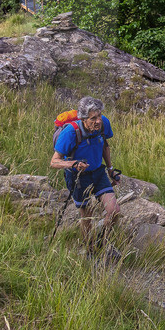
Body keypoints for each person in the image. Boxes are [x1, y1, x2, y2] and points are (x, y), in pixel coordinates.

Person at [50, 96, 118, 245]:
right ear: (83, 119)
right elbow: (54, 161)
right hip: (78, 177)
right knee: (87, 216)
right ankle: (89, 248)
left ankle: (101, 242)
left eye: (99, 115)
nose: (98, 121)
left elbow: (105, 145)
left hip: (98, 173)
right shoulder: (70, 132)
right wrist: (73, 164)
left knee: (114, 211)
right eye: (93, 118)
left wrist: (110, 169)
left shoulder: (104, 124)